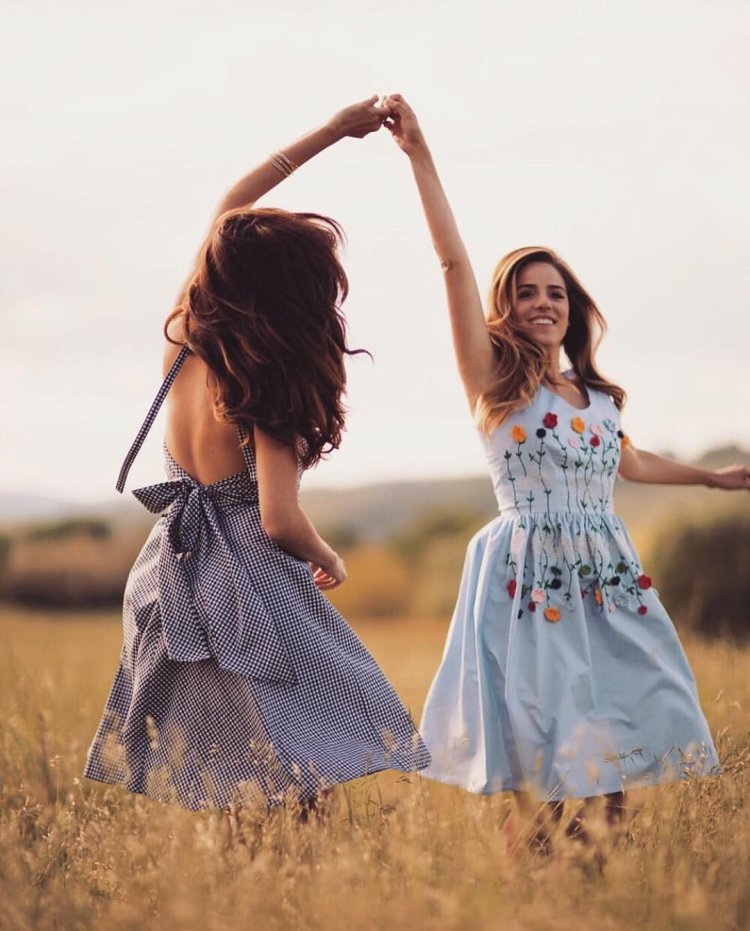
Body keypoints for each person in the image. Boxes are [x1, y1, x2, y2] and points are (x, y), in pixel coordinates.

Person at [383, 93, 749, 848]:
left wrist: (714, 479)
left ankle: (583, 876)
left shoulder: (597, 394)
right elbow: (452, 262)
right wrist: (420, 153)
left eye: (556, 293)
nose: (544, 302)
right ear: (507, 307)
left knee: (618, 742)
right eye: (528, 292)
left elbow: (632, 460)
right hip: (529, 577)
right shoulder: (493, 378)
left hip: (606, 576)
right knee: (549, 754)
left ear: (573, 309)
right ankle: (536, 874)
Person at [84, 97, 430, 821]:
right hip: (245, 576)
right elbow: (277, 516)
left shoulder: (183, 338)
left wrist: (335, 130)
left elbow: (230, 206)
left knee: (230, 772)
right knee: (312, 758)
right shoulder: (261, 381)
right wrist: (328, 554)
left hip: (170, 570)